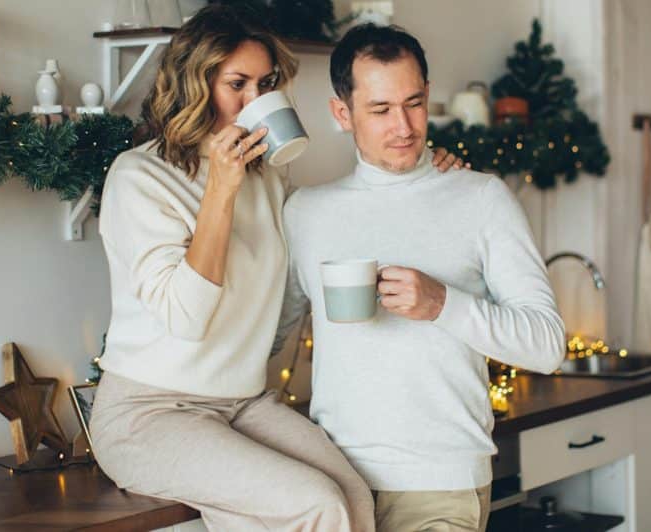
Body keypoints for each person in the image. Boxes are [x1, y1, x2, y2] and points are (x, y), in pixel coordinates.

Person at [89, 6, 462, 531]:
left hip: (241, 402)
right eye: (236, 83)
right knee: (316, 503)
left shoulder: (267, 181)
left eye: (265, 84)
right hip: (149, 414)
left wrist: (429, 167)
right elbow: (188, 317)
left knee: (353, 495)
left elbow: (332, 231)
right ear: (196, 84)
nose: (254, 101)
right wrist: (220, 188)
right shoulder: (140, 176)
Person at [276, 24, 567, 532]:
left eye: (413, 103)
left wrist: (442, 304)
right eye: (381, 109)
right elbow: (272, 338)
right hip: (332, 485)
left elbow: (547, 345)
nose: (404, 126)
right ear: (342, 114)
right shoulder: (306, 212)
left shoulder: (480, 198)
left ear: (428, 95)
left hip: (441, 483)